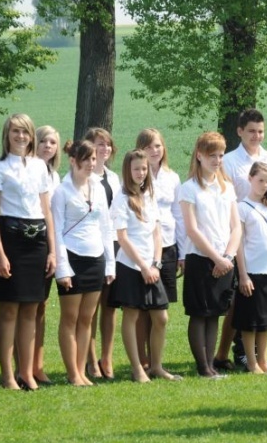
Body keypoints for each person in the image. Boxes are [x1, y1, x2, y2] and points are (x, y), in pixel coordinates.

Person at [0, 113, 56, 391]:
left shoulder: (40, 167)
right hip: (11, 239)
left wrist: (52, 251)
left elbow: (47, 211)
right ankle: (7, 375)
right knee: (9, 310)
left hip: (37, 240)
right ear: (7, 135)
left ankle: (26, 373)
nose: (21, 137)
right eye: (15, 131)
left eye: (25, 132)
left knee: (31, 309)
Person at [215, 109, 267, 370]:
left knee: (263, 304)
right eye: (251, 131)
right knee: (239, 302)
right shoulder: (230, 161)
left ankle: (258, 357)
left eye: (260, 131)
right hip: (239, 236)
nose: (256, 136)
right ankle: (229, 352)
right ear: (240, 132)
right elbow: (224, 198)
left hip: (266, 238)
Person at [110, 149, 180, 382]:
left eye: (143, 168)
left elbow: (157, 232)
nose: (140, 173)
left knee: (161, 318)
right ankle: (137, 368)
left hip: (152, 266)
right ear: (127, 171)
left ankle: (157, 366)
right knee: (132, 316)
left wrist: (156, 264)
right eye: (136, 169)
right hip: (131, 266)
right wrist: (142, 266)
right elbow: (122, 238)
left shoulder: (149, 194)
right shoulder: (121, 198)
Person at [52, 140, 115, 386]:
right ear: (73, 161)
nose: (91, 163)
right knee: (70, 318)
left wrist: (109, 264)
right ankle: (72, 373)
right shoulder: (62, 190)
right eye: (86, 159)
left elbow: (106, 226)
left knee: (87, 319)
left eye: (93, 159)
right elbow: (57, 231)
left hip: (95, 258)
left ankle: (81, 371)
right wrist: (62, 268)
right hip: (72, 257)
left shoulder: (98, 187)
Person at [179, 132, 241, 378]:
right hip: (201, 258)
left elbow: (236, 227)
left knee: (215, 312)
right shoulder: (189, 188)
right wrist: (216, 258)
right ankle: (203, 366)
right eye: (212, 155)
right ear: (199, 156)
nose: (217, 160)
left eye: (220, 155)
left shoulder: (227, 188)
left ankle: (211, 364)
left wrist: (228, 256)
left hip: (225, 258)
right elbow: (192, 229)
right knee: (199, 313)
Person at [135, 128, 185, 371]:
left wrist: (182, 253)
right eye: (148, 147)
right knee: (143, 308)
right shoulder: (138, 176)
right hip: (143, 249)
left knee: (160, 307)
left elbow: (178, 215)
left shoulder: (172, 177)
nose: (154, 151)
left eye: (158, 146)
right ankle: (142, 359)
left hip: (168, 245)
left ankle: (156, 361)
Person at [234, 162, 267, 374]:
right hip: (252, 270)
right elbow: (239, 242)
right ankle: (251, 361)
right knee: (250, 320)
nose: (264, 185)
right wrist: (243, 274)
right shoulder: (242, 207)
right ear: (250, 178)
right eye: (260, 180)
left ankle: (263, 361)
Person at [85, 127, 120, 380]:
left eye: (107, 145)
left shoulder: (114, 178)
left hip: (114, 244)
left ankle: (107, 358)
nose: (104, 149)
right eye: (99, 144)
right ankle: (90, 361)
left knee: (110, 306)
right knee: (91, 308)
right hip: (91, 245)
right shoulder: (84, 177)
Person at [32, 125, 61, 386]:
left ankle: (37, 365)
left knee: (41, 306)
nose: (48, 146)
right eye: (44, 141)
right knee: (25, 307)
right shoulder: (27, 170)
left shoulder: (55, 176)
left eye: (53, 142)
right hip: (28, 241)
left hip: (49, 243)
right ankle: (21, 366)